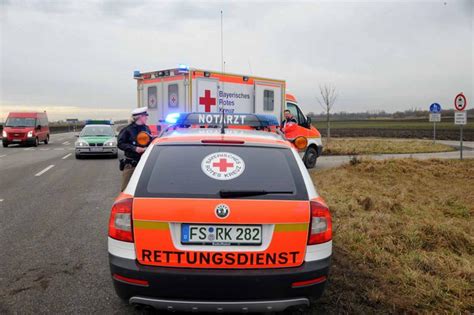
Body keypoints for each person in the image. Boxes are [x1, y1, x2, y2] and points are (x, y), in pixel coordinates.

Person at [118, 107, 151, 191]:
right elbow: (120, 144)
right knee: (125, 190)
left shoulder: (146, 129)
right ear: (140, 117)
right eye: (145, 116)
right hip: (131, 165)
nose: (147, 117)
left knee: (143, 190)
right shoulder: (127, 130)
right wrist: (134, 148)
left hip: (145, 165)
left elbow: (149, 141)